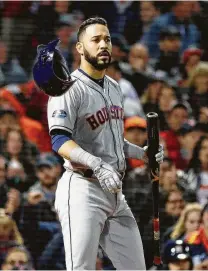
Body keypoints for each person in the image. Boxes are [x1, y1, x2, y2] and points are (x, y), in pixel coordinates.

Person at [32, 17, 164, 270]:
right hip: (83, 189)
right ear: (80, 48)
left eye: (107, 39)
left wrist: (142, 154)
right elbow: (59, 140)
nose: (104, 44)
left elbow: (113, 140)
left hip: (115, 193)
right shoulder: (68, 89)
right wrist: (97, 164)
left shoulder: (115, 87)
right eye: (95, 40)